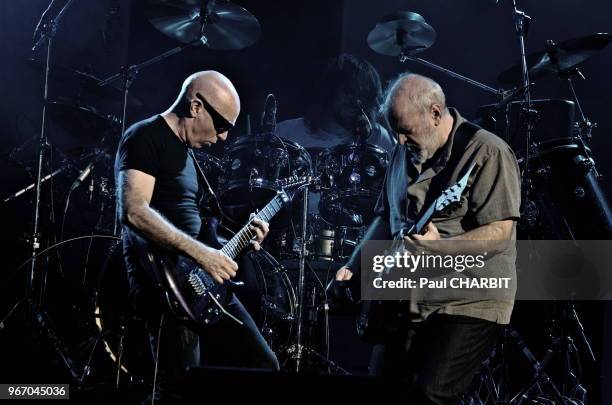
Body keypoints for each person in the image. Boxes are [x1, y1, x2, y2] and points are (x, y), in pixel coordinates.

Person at [335, 73, 521, 404]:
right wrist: (353, 266)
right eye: (395, 133)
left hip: (468, 300)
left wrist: (442, 247)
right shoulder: (402, 151)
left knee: (429, 393)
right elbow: (385, 217)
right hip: (407, 298)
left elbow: (500, 232)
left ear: (435, 114)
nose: (401, 142)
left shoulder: (487, 152)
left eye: (406, 131)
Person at [115, 71, 279, 401]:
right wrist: (202, 255)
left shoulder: (189, 157)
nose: (222, 139)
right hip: (167, 286)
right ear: (195, 107)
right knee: (179, 388)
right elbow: (133, 210)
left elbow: (196, 232)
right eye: (221, 127)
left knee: (265, 365)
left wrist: (242, 241)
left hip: (201, 282)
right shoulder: (144, 137)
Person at [275, 54, 396, 215]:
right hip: (293, 233)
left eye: (362, 95)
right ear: (330, 91)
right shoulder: (285, 133)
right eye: (349, 91)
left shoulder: (379, 138)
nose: (356, 101)